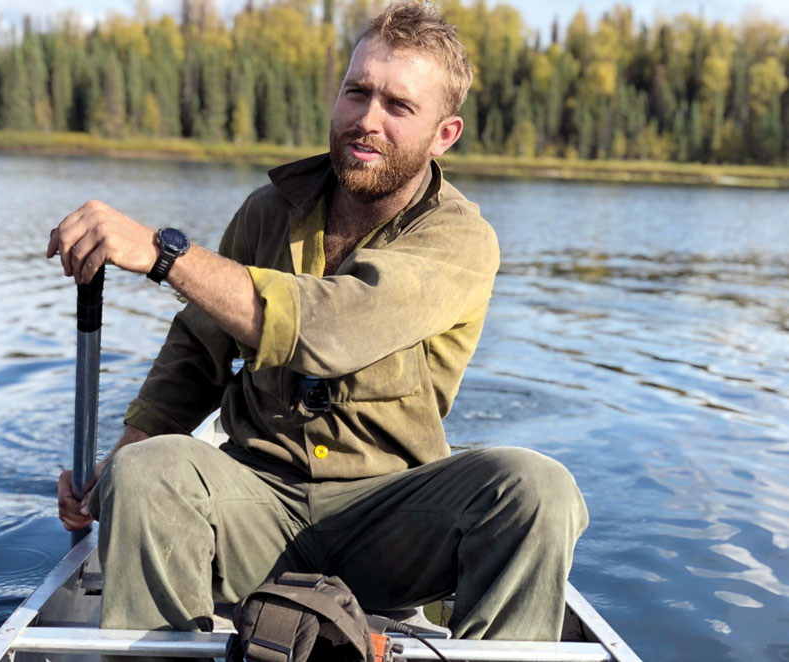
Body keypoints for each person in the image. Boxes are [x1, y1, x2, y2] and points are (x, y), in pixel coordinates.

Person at [48, 0, 588, 649]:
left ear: (445, 133)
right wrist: (119, 459)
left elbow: (333, 329)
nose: (366, 120)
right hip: (252, 503)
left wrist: (164, 254)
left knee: (539, 490)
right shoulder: (268, 211)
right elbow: (197, 351)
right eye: (356, 92)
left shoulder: (460, 239)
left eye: (398, 105)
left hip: (392, 521)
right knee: (147, 473)